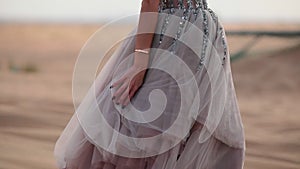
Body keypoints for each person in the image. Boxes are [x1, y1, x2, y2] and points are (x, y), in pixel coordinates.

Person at [54, 0, 246, 168]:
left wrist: (140, 61)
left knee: (151, 122)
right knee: (186, 121)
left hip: (176, 33)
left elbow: (149, 2)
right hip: (206, 31)